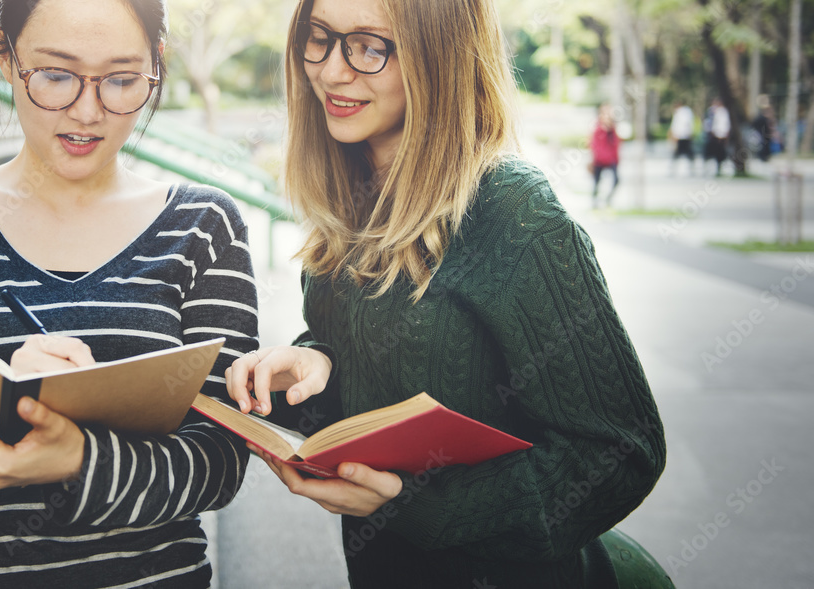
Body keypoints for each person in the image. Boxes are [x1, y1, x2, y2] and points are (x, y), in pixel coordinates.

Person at [224, 0, 666, 587]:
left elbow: (621, 452)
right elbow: (380, 377)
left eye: (369, 46)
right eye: (319, 37)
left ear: (441, 55)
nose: (331, 70)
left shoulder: (513, 211)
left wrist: (416, 505)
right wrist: (316, 363)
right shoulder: (349, 195)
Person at [0, 0, 257, 587]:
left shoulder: (204, 226)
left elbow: (219, 465)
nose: (87, 111)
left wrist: (79, 457)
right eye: (55, 76)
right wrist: (3, 411)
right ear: (4, 54)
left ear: (157, 65)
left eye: (122, 80)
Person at [589, 102, 621, 208]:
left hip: (612, 159)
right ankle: (595, 201)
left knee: (616, 180)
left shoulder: (613, 129)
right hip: (599, 160)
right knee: (597, 182)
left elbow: (617, 144)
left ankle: (608, 200)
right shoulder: (597, 128)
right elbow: (593, 145)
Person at [703, 96, 731, 176]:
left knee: (720, 152)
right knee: (713, 152)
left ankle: (720, 166)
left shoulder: (724, 112)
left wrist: (724, 136)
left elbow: (725, 125)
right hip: (714, 135)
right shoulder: (714, 111)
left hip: (721, 136)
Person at [669, 100, 696, 175]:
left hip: (683, 136)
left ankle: (691, 169)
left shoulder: (684, 112)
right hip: (682, 136)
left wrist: (676, 135)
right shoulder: (680, 112)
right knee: (679, 154)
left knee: (687, 153)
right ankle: (674, 170)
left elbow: (682, 125)